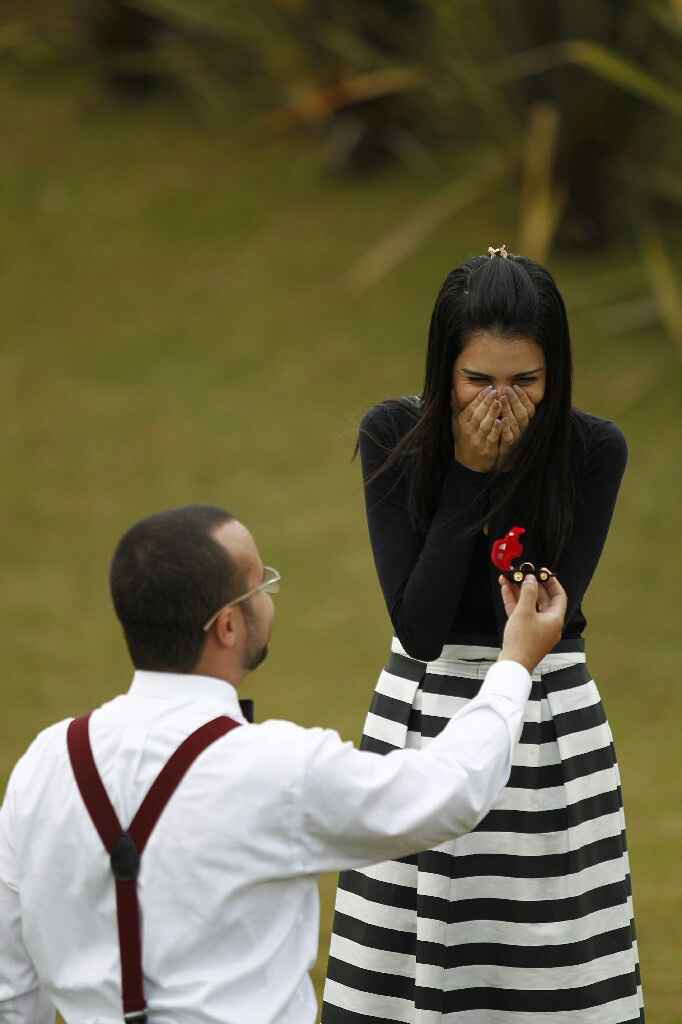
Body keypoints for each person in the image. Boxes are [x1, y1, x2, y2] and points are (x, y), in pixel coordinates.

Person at [0, 504, 566, 1024]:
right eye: (260, 584)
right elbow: (449, 791)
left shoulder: (45, 763)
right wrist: (514, 663)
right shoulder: (277, 769)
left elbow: (10, 985)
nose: (269, 596)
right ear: (227, 625)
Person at [322, 248, 644, 1023]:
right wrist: (470, 472)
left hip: (544, 717)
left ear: (555, 373)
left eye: (524, 382)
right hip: (423, 712)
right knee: (406, 964)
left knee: (547, 961)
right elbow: (421, 627)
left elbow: (535, 609)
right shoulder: (395, 434)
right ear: (445, 371)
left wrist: (512, 473)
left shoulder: (593, 452)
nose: (500, 401)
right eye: (479, 381)